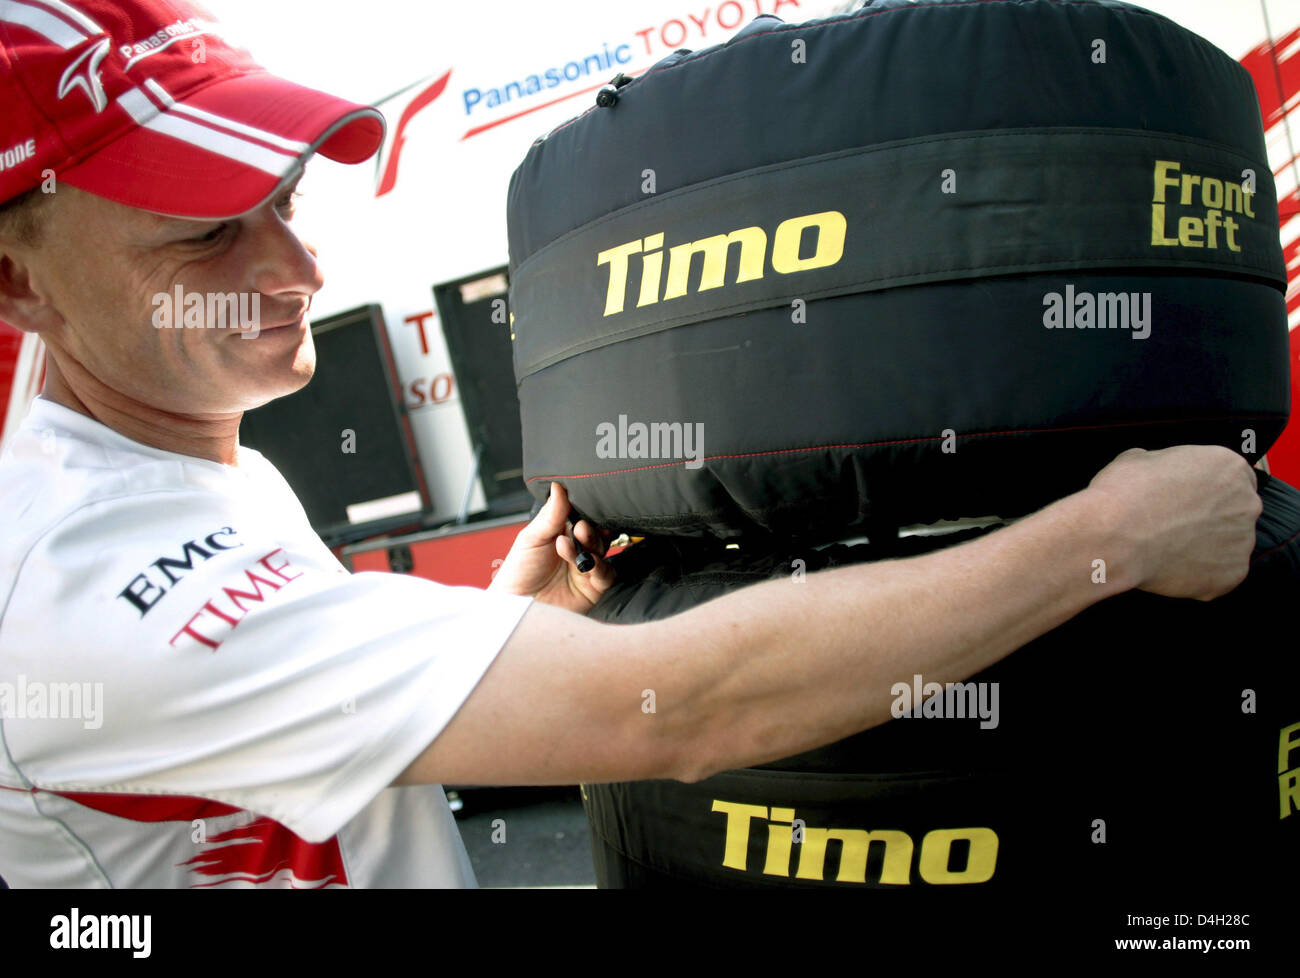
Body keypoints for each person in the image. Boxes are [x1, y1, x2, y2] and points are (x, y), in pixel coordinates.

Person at [0, 0, 1261, 888]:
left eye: (280, 199)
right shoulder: (76, 590)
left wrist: (501, 617)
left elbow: (273, 735)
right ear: (20, 283)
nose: (296, 265)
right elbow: (685, 715)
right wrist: (1116, 538)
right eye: (204, 234)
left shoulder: (179, 457)